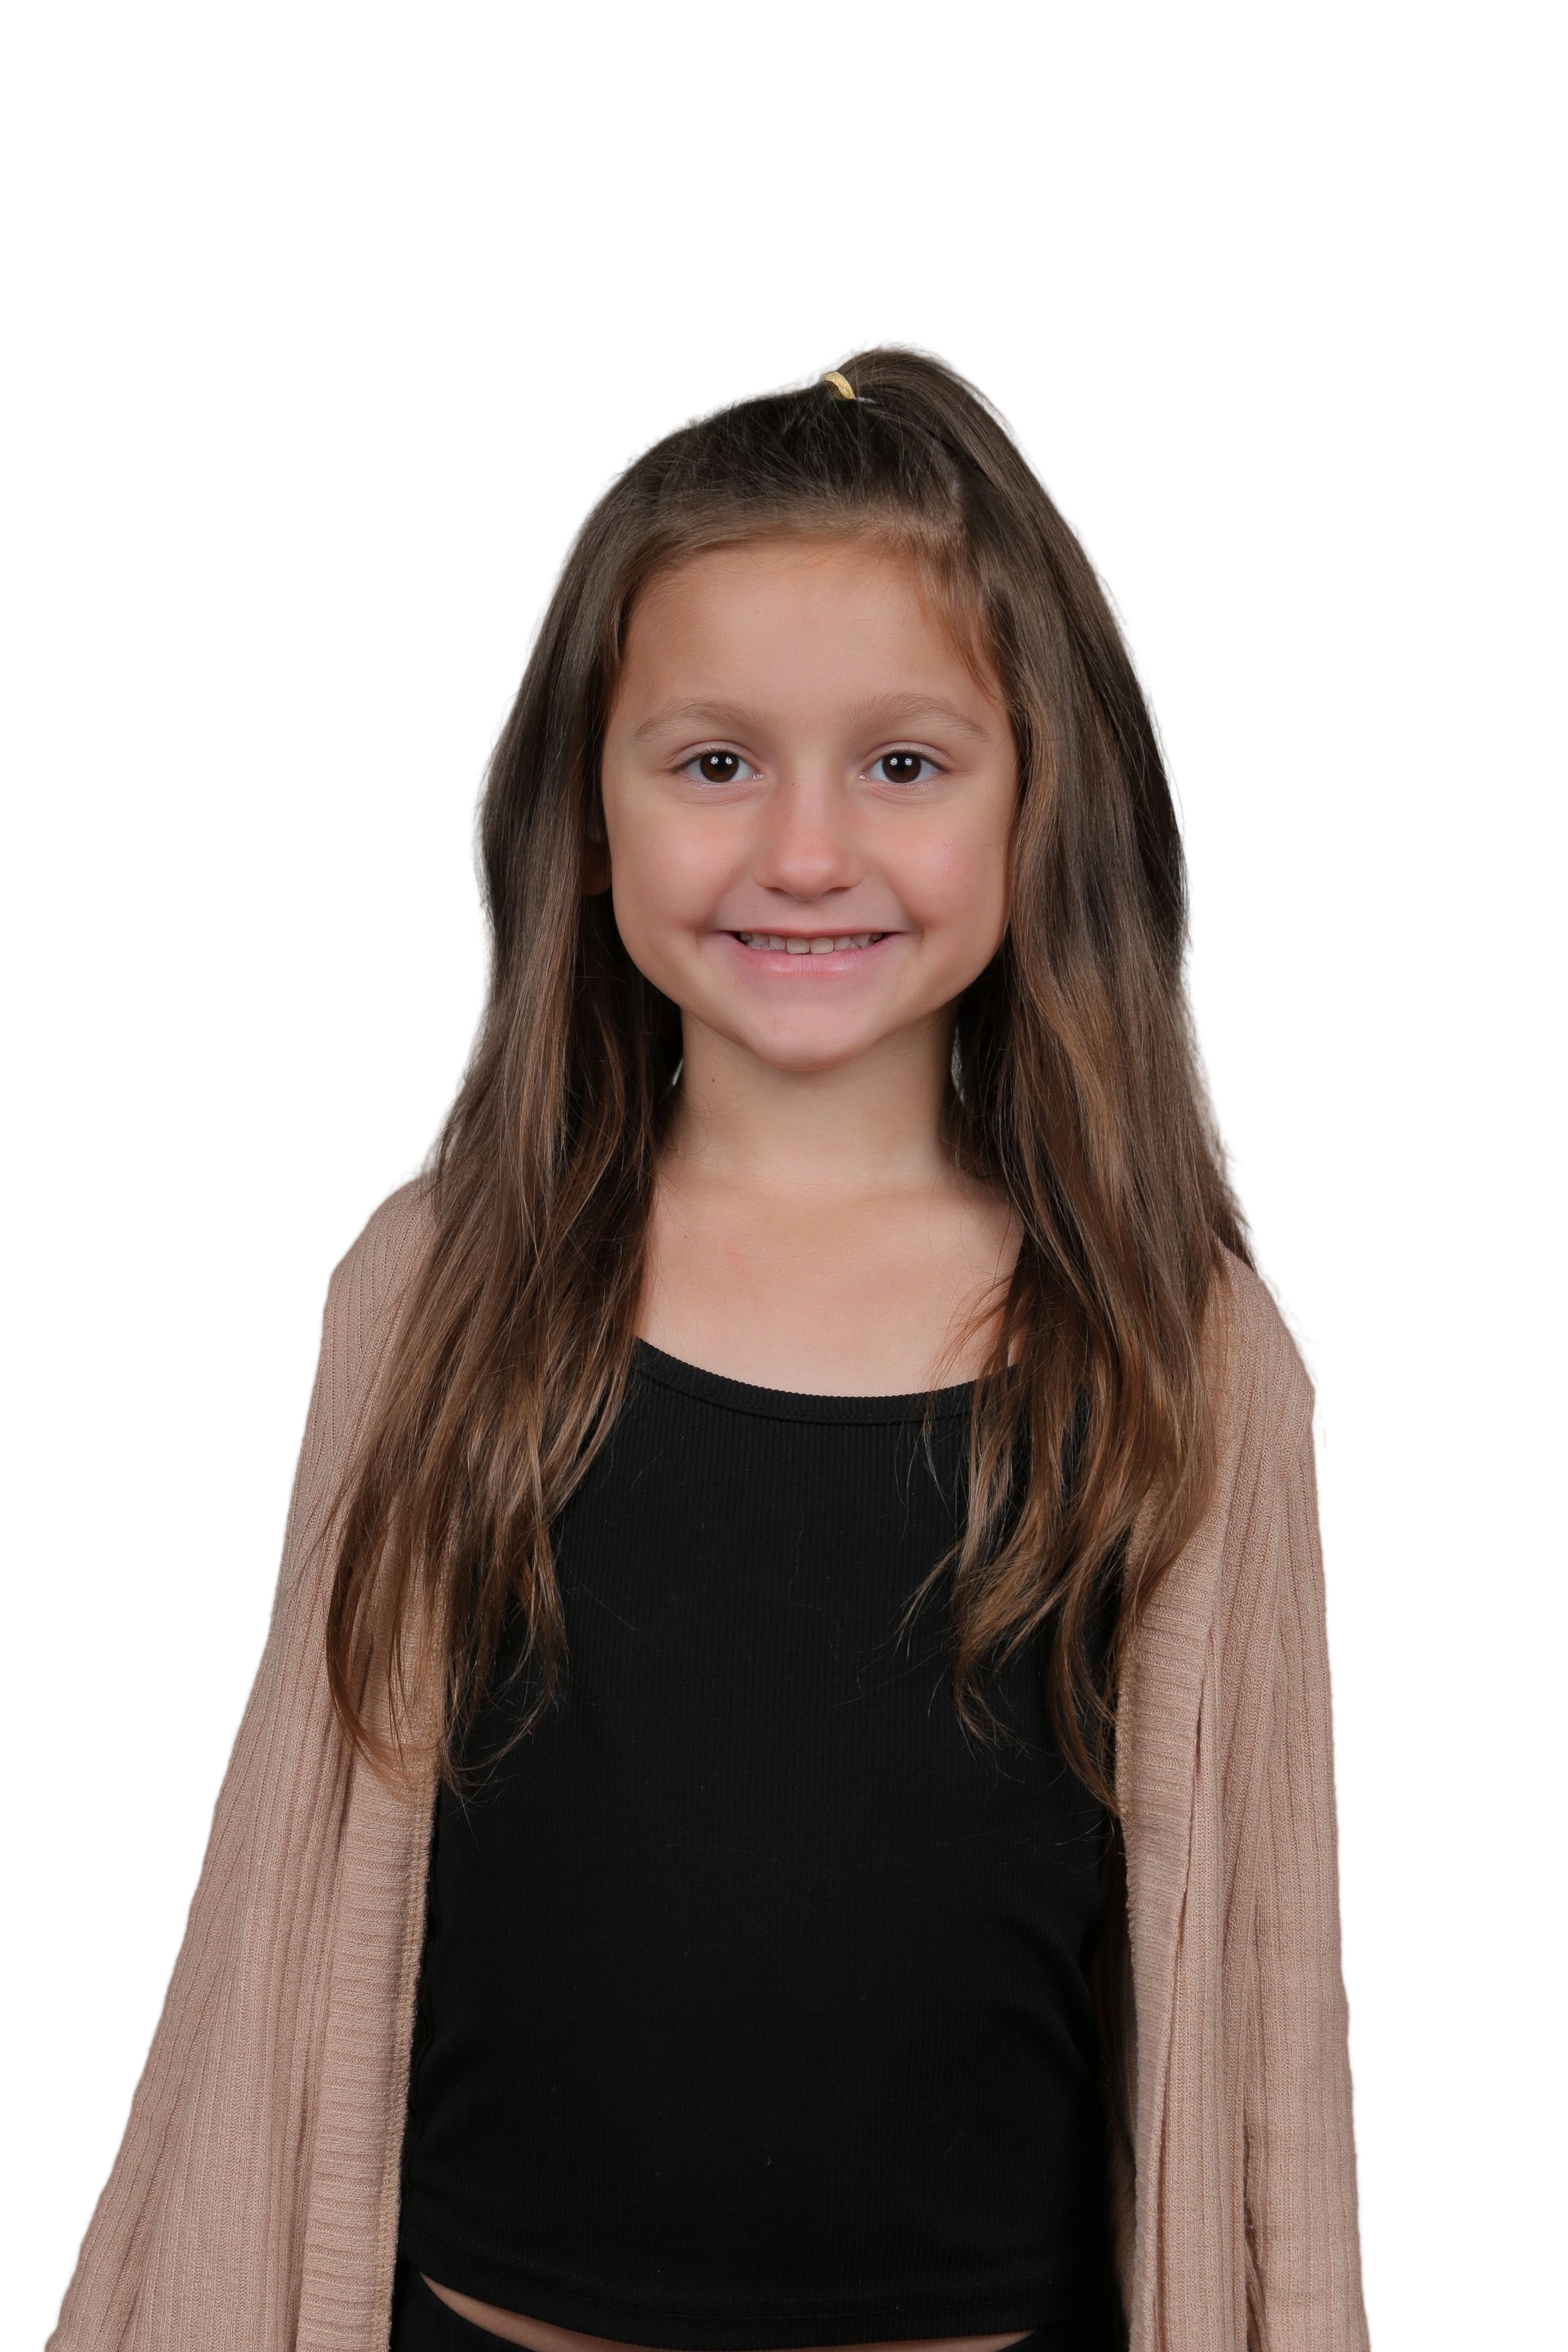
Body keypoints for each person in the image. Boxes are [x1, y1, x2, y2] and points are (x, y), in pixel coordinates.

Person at [42, 339, 1369, 2352]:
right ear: (584, 812)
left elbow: (1256, 2031)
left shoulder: (1182, 1366)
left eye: (905, 764)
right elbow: (286, 1916)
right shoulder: (436, 1290)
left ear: (1039, 804)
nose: (806, 853)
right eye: (716, 762)